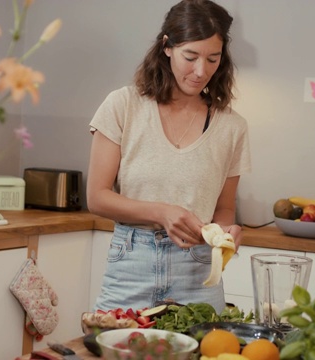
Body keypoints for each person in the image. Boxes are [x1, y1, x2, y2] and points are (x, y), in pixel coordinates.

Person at [86, 0, 251, 314]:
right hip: (131, 262)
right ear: (167, 47)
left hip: (199, 268)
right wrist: (162, 212)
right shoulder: (123, 105)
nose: (201, 71)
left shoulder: (232, 127)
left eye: (213, 59)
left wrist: (225, 233)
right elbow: (97, 198)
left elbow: (224, 208)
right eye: (190, 56)